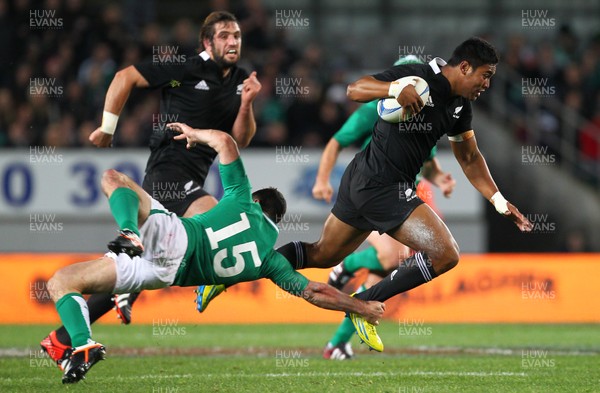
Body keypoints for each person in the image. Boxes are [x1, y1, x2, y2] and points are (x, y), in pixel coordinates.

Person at [47, 124, 386, 384]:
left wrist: (194, 134)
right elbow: (314, 291)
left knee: (113, 178)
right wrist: (360, 306)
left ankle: (130, 232)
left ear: (255, 200)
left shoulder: (240, 198)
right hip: (164, 275)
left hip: (175, 237)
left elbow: (225, 141)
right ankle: (82, 345)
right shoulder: (269, 259)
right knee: (64, 281)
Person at [273, 37, 532, 350]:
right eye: (485, 75)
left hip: (367, 181)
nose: (487, 84)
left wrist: (498, 200)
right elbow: (355, 90)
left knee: (322, 254)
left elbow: (469, 157)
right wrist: (394, 88)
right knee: (446, 253)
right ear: (464, 67)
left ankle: (251, 263)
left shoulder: (460, 105)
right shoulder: (418, 76)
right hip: (381, 184)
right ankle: (365, 302)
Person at [41, 11, 262, 363]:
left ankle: (62, 338)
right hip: (167, 176)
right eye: (223, 36)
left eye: (236, 35)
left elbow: (240, 140)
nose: (233, 41)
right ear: (207, 42)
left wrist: (248, 102)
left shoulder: (239, 80)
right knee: (216, 226)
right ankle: (204, 279)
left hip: (193, 179)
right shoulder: (185, 69)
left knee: (143, 267)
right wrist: (108, 127)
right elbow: (125, 76)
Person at [311, 58, 456, 360]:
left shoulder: (426, 110)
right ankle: (346, 266)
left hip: (401, 196)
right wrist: (322, 179)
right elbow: (337, 142)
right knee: (391, 257)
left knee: (384, 274)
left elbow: (426, 162)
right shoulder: (372, 110)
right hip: (374, 192)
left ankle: (337, 343)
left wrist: (440, 178)